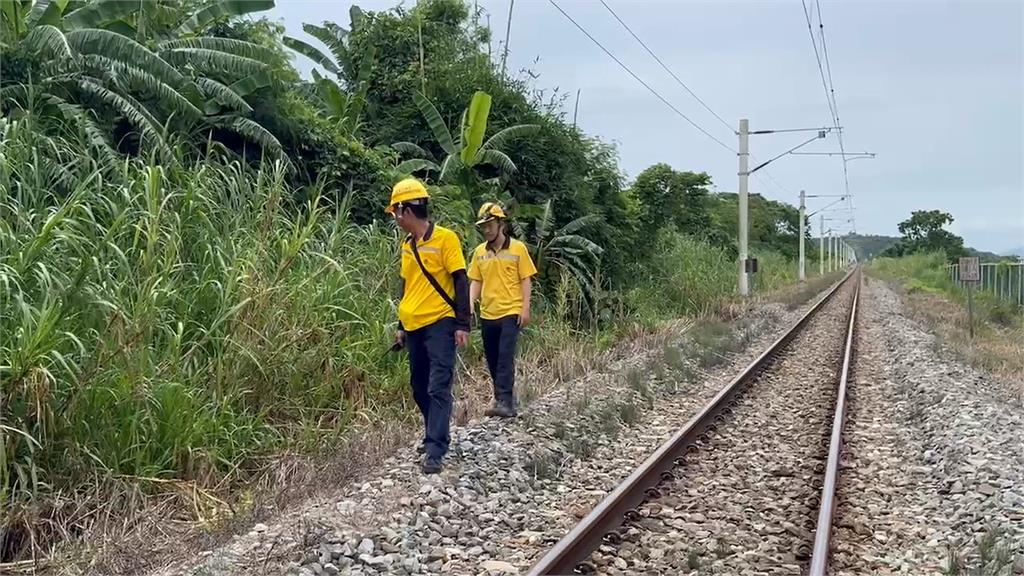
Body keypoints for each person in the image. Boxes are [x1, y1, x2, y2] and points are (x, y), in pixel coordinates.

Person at [387, 178, 471, 474]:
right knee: (418, 387)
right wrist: (400, 325)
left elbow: (461, 280)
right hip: (413, 325)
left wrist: (463, 323)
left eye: (396, 212)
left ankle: (436, 447)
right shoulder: (407, 245)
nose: (395, 219)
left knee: (438, 386)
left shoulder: (446, 239)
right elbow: (406, 285)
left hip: (441, 323)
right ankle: (434, 430)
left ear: (406, 210)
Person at [468, 202, 537, 418]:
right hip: (488, 313)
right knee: (492, 357)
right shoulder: (480, 252)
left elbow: (526, 279)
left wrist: (525, 308)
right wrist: (470, 303)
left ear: (501, 223)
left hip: (510, 311)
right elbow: (476, 281)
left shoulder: (517, 249)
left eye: (490, 225)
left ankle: (505, 401)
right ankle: (502, 397)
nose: (487, 230)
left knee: (505, 357)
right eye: (483, 226)